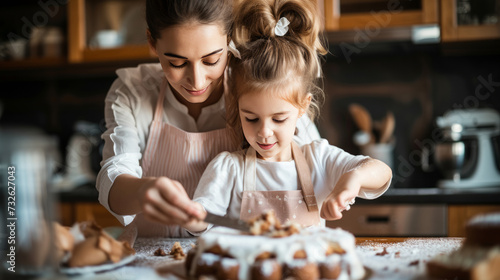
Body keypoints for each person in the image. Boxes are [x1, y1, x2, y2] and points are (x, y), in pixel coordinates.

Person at [96, 0, 321, 238]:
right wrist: (142, 191)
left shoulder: (256, 85)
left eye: (211, 60)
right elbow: (113, 176)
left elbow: (314, 161)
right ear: (152, 42)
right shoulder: (133, 91)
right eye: (177, 63)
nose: (197, 81)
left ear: (228, 40)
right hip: (153, 265)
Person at [178, 0, 393, 233]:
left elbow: (382, 172)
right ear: (236, 106)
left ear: (303, 107)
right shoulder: (229, 168)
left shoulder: (318, 159)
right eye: (251, 118)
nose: (264, 131)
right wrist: (190, 215)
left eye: (278, 119)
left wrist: (353, 178)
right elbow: (200, 220)